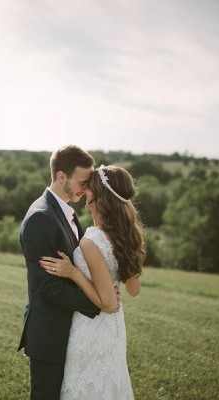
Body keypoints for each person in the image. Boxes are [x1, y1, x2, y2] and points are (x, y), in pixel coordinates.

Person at [18, 146, 121, 400]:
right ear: (61, 176)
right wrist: (99, 301)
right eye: (82, 182)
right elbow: (49, 287)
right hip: (50, 334)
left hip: (71, 332)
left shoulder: (67, 213)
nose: (86, 190)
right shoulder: (41, 218)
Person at [39, 164, 145, 399]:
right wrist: (111, 284)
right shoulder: (129, 236)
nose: (85, 191)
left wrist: (74, 273)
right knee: (109, 383)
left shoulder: (93, 240)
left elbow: (107, 303)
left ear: (98, 196)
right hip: (115, 326)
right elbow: (134, 290)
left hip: (92, 325)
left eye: (89, 188)